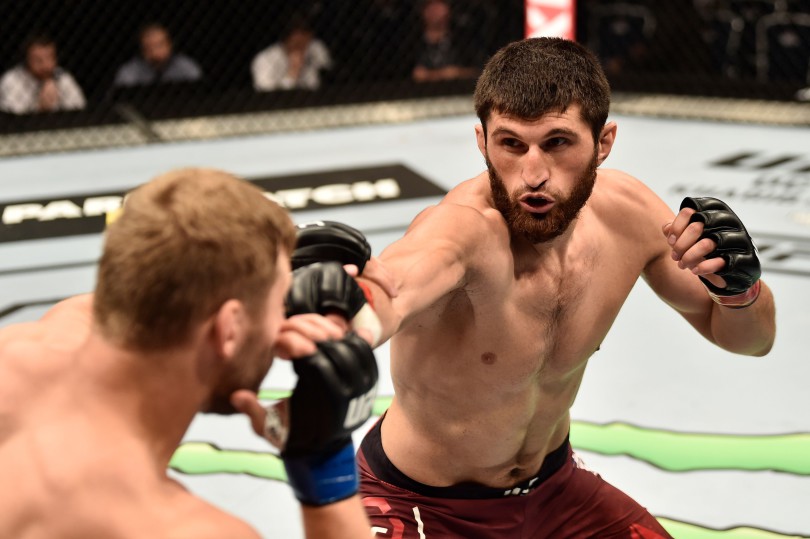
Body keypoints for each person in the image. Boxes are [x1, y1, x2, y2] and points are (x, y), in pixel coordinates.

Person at [349, 37, 776, 537]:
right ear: (483, 142)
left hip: (552, 492)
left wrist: (739, 292)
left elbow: (752, 340)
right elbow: (394, 286)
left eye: (557, 143)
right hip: (416, 504)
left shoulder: (630, 217)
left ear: (603, 142)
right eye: (511, 144)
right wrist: (343, 312)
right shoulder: (460, 229)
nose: (533, 174)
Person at [0, 168, 385, 539]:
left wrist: (252, 274)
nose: (281, 326)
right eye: (276, 307)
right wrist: (325, 465)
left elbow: (137, 292)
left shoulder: (23, 348)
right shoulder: (180, 528)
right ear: (229, 328)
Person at [0, 34, 86, 114]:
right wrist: (40, 108)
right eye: (38, 60)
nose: (46, 65)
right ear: (26, 60)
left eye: (50, 58)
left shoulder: (62, 76)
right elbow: (11, 119)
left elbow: (79, 107)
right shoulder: (11, 80)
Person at [251, 15, 332, 91]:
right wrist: (293, 72)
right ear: (286, 39)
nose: (303, 48)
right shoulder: (265, 59)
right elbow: (266, 95)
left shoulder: (316, 48)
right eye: (298, 43)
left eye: (306, 42)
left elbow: (326, 77)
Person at [111, 23, 203, 88]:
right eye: (149, 47)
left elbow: (201, 92)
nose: (155, 52)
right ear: (142, 51)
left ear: (170, 45)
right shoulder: (129, 71)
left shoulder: (186, 66)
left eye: (160, 45)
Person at [411, 0, 484, 83]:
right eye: (431, 6)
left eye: (439, 5)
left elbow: (478, 70)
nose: (435, 10)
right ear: (423, 11)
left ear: (448, 9)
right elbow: (415, 74)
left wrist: (458, 72)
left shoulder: (463, 39)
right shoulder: (413, 41)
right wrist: (444, 74)